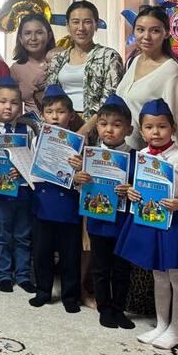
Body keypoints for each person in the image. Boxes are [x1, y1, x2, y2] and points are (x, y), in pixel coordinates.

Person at [115, 98, 178, 349]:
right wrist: (132, 192)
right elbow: (138, 185)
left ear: (172, 128)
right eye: (149, 127)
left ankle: (176, 329)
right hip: (150, 219)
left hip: (176, 222)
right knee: (158, 276)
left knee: (177, 276)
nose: (156, 132)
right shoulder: (142, 156)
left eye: (162, 126)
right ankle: (162, 325)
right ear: (141, 131)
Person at [70, 93, 135, 329]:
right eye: (104, 124)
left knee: (122, 268)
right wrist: (78, 179)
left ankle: (119, 309)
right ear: (97, 126)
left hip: (124, 222)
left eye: (117, 125)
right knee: (100, 267)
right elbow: (80, 188)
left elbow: (142, 191)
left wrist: (131, 189)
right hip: (98, 220)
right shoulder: (89, 155)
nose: (109, 130)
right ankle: (104, 308)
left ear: (128, 129)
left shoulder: (136, 158)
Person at [0, 77, 35, 292]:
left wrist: (23, 168)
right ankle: (4, 276)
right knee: (2, 235)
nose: (8, 107)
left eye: (13, 102)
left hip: (22, 191)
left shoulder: (26, 130)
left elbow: (33, 158)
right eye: (3, 102)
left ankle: (23, 275)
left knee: (23, 235)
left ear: (20, 106)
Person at [29, 85, 83, 313]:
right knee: (42, 251)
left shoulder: (80, 143)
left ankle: (70, 296)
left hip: (69, 203)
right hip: (43, 202)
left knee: (70, 253)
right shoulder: (36, 140)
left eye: (60, 112)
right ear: (43, 115)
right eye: (49, 111)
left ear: (71, 116)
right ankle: (43, 291)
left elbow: (84, 180)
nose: (55, 116)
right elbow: (33, 172)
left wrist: (79, 170)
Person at [45, 0, 124, 138]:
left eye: (87, 22)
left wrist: (85, 130)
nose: (81, 28)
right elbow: (50, 97)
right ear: (67, 25)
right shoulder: (58, 59)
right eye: (75, 22)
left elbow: (110, 99)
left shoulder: (109, 56)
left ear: (96, 25)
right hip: (61, 126)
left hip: (98, 128)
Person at [116, 6, 178, 149]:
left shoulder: (170, 69)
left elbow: (172, 121)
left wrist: (171, 157)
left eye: (155, 31)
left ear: (166, 33)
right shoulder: (134, 60)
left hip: (148, 154)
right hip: (122, 148)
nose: (146, 36)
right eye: (140, 30)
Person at [9, 13, 57, 114]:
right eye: (27, 33)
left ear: (49, 36)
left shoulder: (58, 60)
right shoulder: (16, 69)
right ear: (20, 38)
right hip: (30, 122)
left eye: (39, 32)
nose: (33, 38)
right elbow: (14, 106)